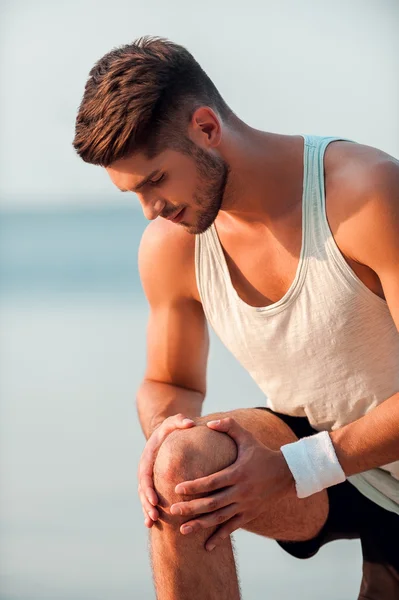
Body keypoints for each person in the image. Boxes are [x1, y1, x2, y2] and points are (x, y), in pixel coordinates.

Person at [73, 36, 399, 600]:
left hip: (332, 456)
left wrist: (300, 466)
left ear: (205, 127)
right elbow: (168, 382)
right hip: (344, 473)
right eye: (134, 193)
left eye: (155, 180)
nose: (152, 209)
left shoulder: (365, 194)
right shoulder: (172, 245)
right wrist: (163, 435)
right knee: (181, 468)